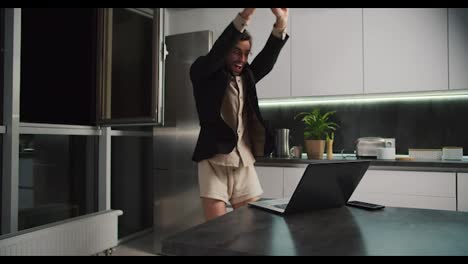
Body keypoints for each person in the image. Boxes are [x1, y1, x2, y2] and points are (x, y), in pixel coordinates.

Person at [190, 8, 289, 221]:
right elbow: (217, 52)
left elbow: (267, 59)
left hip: (244, 162)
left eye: (246, 54)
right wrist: (245, 16)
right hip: (213, 160)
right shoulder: (202, 71)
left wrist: (280, 23)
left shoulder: (246, 77)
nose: (241, 59)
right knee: (218, 232)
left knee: (249, 231)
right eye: (236, 52)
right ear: (226, 50)